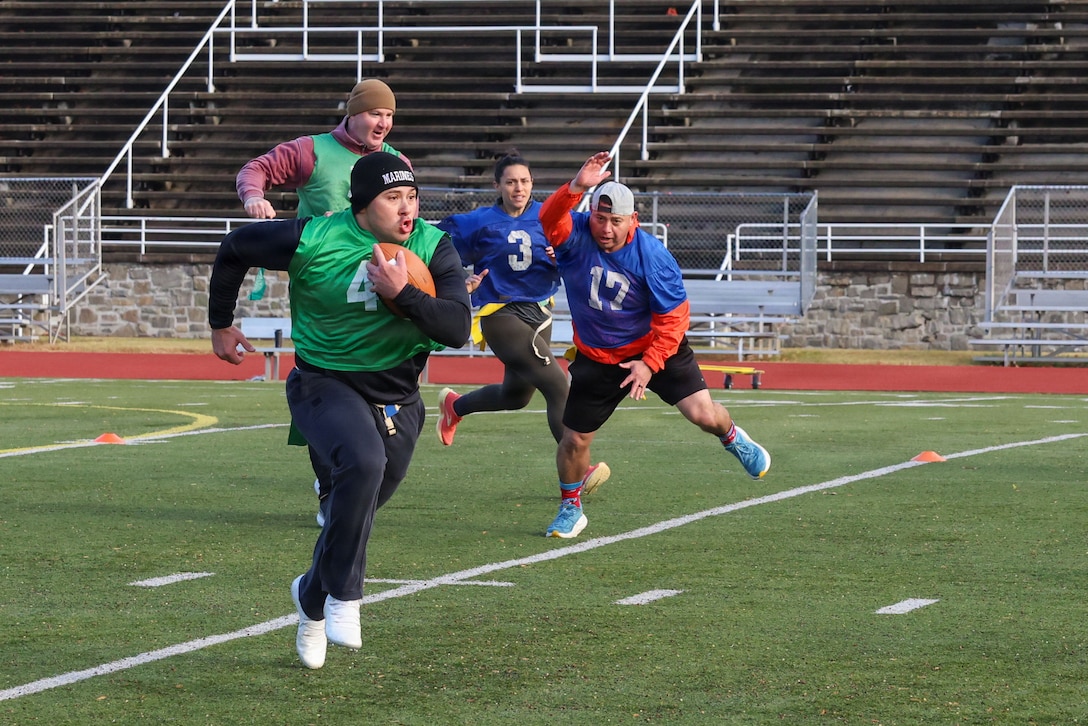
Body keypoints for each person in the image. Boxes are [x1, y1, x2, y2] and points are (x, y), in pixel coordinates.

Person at [209, 152, 471, 669]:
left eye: (412, 196)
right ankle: (346, 596)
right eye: (392, 197)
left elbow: (457, 328)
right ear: (361, 203)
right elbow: (235, 247)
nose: (406, 209)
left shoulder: (432, 245)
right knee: (363, 464)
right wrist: (221, 322)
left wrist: (404, 295)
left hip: (399, 397)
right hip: (323, 384)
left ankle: (310, 597)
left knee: (360, 503)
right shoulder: (314, 237)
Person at [537, 151, 771, 539]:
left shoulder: (652, 255)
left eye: (616, 221)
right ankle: (570, 506)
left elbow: (674, 319)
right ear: (589, 213)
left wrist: (649, 363)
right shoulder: (575, 232)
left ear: (633, 221)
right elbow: (549, 219)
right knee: (574, 438)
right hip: (598, 354)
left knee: (703, 415)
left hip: (653, 346)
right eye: (600, 218)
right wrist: (577, 187)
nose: (606, 228)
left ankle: (734, 438)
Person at [236, 78, 410, 527]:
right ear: (353, 112)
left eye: (389, 115)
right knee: (323, 375)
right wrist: (255, 198)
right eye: (376, 113)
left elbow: (411, 219)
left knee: (377, 373)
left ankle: (352, 469)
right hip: (321, 282)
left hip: (375, 280)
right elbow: (255, 170)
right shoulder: (311, 151)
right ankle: (331, 481)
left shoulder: (396, 163)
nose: (384, 122)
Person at [433, 151, 610, 495]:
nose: (519, 188)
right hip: (499, 312)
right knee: (558, 385)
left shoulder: (550, 215)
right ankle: (579, 469)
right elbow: (432, 241)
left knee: (516, 396)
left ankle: (455, 406)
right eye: (511, 181)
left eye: (525, 181)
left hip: (541, 310)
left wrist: (565, 256)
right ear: (496, 184)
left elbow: (583, 250)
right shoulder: (478, 222)